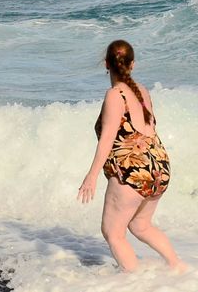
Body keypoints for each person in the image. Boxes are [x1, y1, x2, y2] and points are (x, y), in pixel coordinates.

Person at [77, 40, 184, 272]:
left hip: (133, 171)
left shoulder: (115, 95)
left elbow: (107, 139)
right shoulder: (142, 91)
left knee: (112, 233)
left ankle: (135, 283)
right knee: (140, 225)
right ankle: (179, 268)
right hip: (159, 168)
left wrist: (91, 175)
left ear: (106, 64)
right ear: (133, 65)